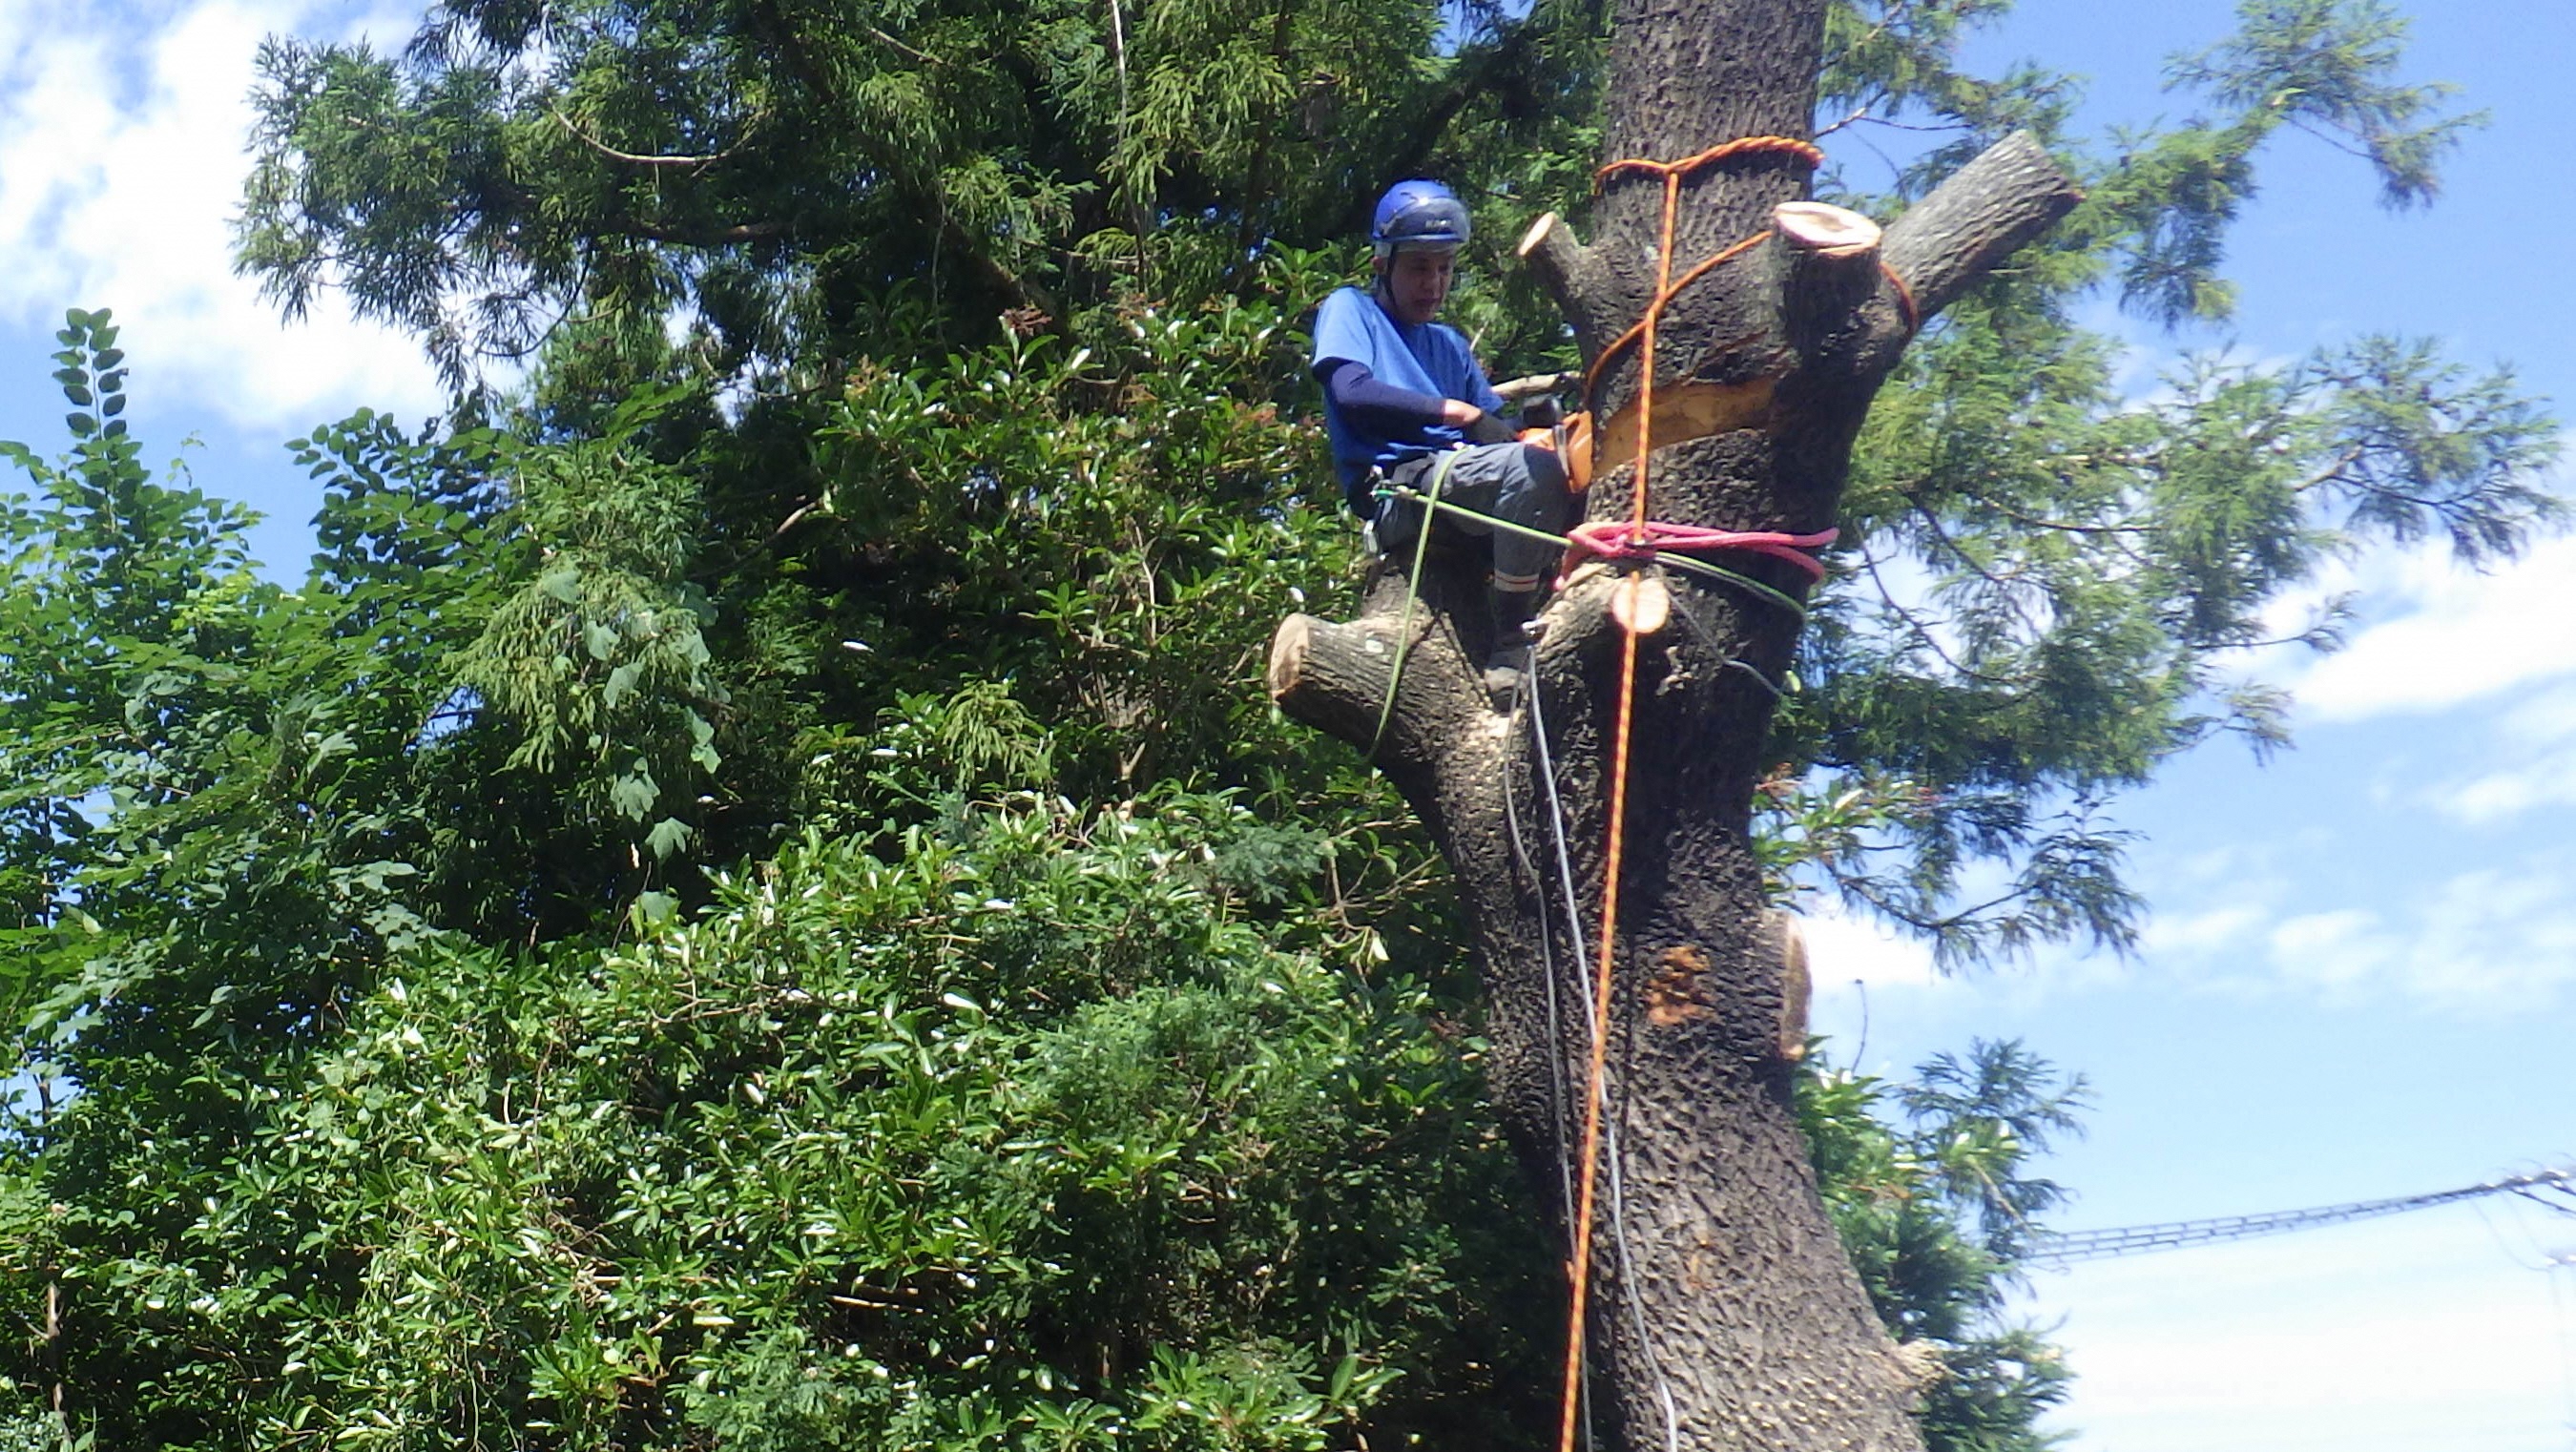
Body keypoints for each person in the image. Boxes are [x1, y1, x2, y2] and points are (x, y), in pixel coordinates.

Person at [1311, 178, 1575, 697]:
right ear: (1382, 264)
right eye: (1419, 267)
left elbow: (1499, 436)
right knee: (1530, 471)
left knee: (1561, 466)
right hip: (1399, 488)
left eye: (1445, 268)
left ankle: (1557, 604)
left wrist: (1544, 434)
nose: (1433, 283)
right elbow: (1351, 391)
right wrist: (1453, 411)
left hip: (1461, 482)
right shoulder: (1352, 310)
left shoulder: (1448, 345)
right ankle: (1511, 638)